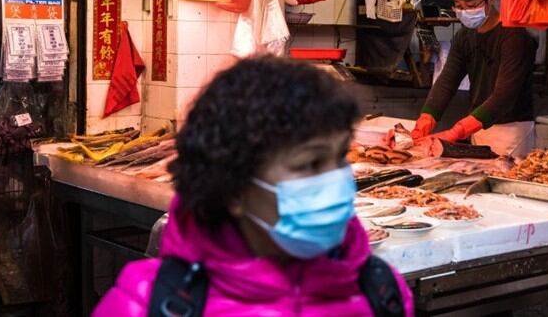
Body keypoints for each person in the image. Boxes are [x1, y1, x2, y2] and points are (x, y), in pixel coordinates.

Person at [93, 58, 415, 316]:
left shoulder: (380, 290)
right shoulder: (150, 303)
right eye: (309, 165)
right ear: (234, 189)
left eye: (340, 158)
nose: (336, 180)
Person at [411, 0, 538, 157]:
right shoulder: (465, 36)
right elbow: (447, 81)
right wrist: (425, 120)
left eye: (471, 6)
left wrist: (456, 131)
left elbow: (503, 96)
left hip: (511, 130)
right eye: (459, 7)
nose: (465, 12)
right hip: (477, 127)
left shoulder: (514, 37)